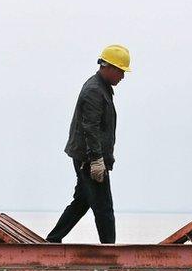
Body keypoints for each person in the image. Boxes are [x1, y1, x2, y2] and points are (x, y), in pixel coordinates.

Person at [46, 44, 131, 244]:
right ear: (107, 67)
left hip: (88, 157)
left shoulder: (102, 88)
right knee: (104, 208)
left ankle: (52, 241)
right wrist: (96, 160)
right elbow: (90, 128)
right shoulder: (94, 90)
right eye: (120, 71)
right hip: (89, 159)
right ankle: (111, 252)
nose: (123, 76)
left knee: (81, 203)